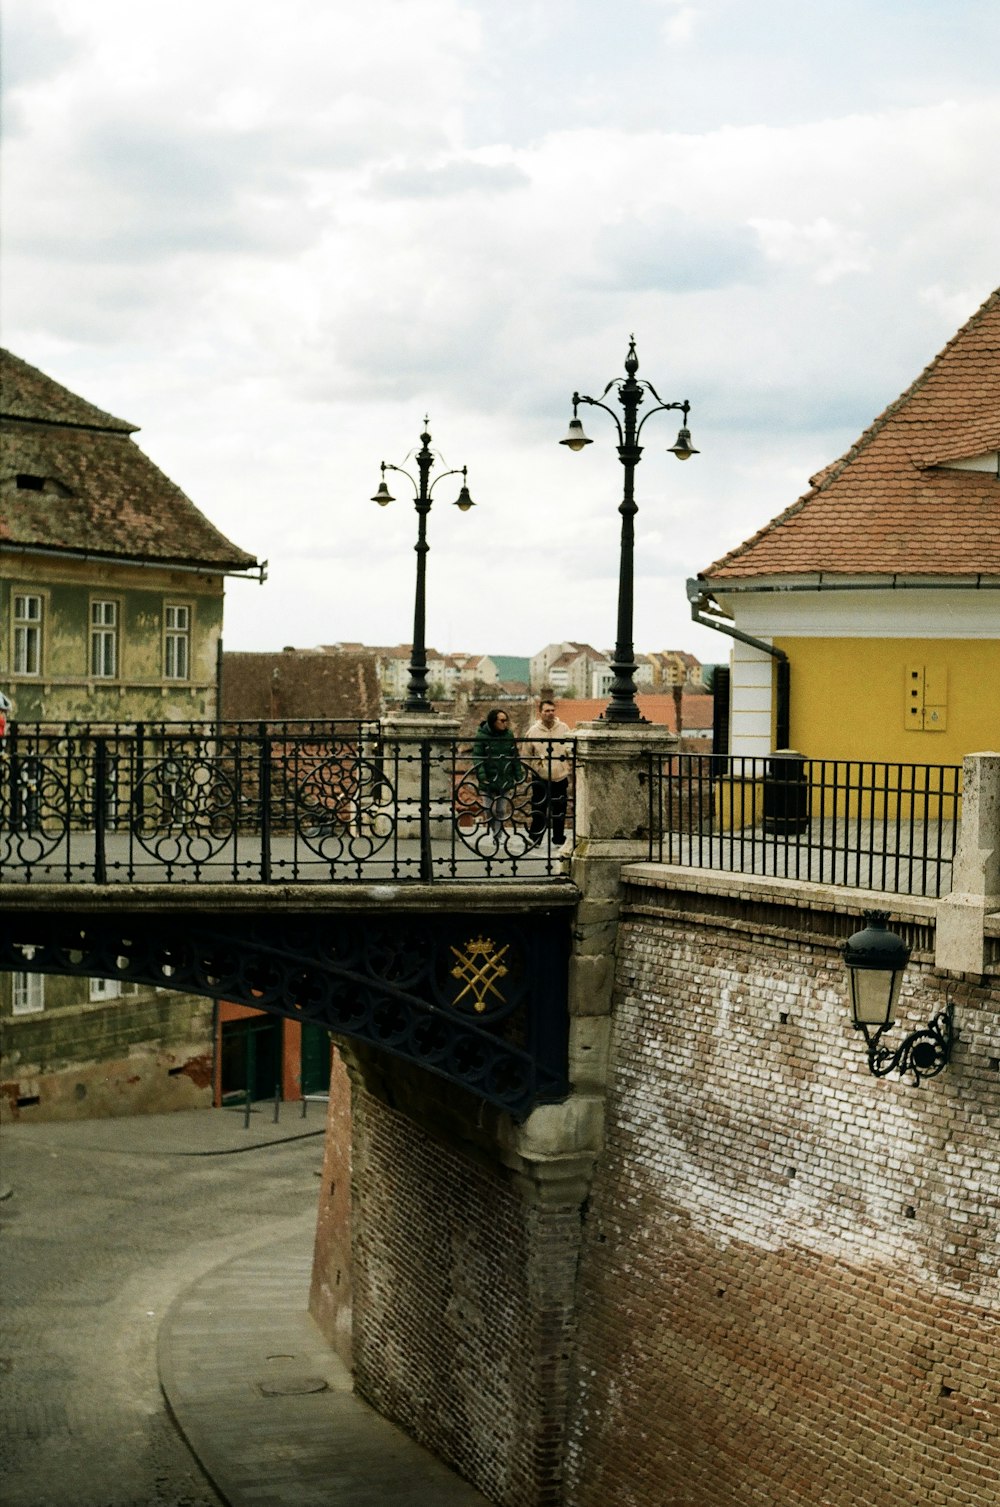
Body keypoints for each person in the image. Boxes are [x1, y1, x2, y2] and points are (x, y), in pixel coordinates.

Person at [521, 698, 573, 848]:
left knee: (560, 809)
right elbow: (526, 753)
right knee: (539, 808)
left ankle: (558, 839)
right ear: (541, 713)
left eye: (552, 710)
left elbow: (570, 748)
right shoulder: (533, 731)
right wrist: (529, 772)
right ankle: (535, 838)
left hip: (560, 775)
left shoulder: (563, 728)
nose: (550, 713)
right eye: (547, 711)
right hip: (540, 776)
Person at [471, 708, 525, 840]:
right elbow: (477, 756)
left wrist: (519, 774)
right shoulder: (482, 736)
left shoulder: (508, 735)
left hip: (504, 777)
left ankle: (498, 836)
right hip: (488, 779)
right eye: (502, 720)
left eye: (506, 720)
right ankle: (494, 830)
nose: (505, 723)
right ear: (493, 722)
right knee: (488, 809)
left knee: (501, 810)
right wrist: (482, 776)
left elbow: (514, 755)